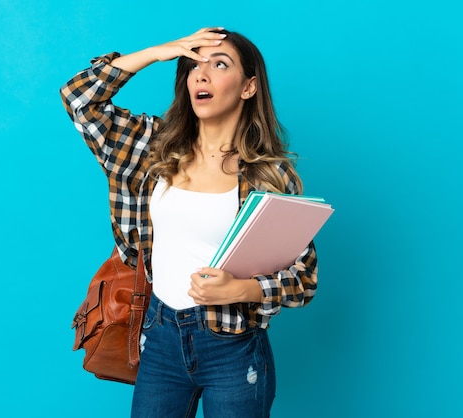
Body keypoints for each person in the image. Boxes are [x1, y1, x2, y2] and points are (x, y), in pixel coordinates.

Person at [60, 27, 318, 418]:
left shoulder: (269, 175)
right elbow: (79, 99)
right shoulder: (152, 145)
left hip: (232, 345)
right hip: (159, 335)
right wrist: (155, 51)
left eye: (219, 64)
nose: (201, 74)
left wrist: (241, 289)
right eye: (192, 66)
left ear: (248, 87)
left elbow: (304, 279)